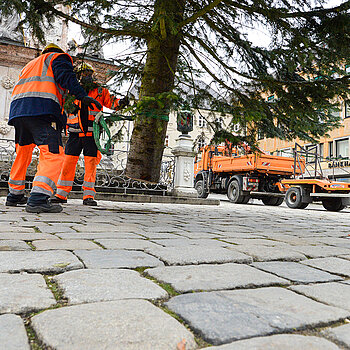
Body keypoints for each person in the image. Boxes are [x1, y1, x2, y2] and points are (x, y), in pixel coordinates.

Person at [6, 43, 102, 213]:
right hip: (42, 110)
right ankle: (38, 198)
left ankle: (15, 195)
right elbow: (66, 77)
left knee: (23, 152)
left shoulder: (31, 64)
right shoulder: (58, 58)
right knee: (53, 153)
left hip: (19, 111)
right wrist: (81, 95)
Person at [52, 62, 129, 206]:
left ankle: (88, 195)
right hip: (75, 133)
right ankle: (61, 194)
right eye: (84, 73)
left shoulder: (100, 91)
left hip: (92, 134)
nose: (86, 76)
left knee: (91, 164)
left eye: (88, 73)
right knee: (68, 163)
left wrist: (122, 102)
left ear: (93, 74)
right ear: (79, 75)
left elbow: (112, 103)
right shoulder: (72, 90)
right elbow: (64, 104)